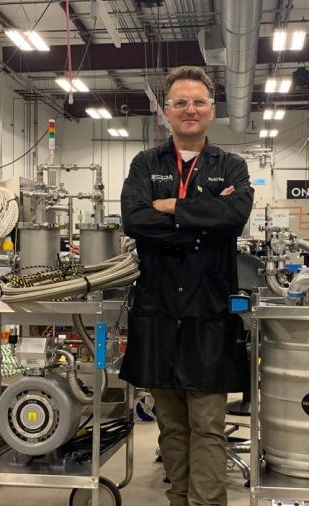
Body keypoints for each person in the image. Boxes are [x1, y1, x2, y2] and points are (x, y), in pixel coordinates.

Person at [119, 66, 254, 506]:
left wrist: (171, 208)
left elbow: (234, 217)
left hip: (208, 314)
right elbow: (135, 220)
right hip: (158, 313)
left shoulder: (230, 164)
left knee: (208, 425)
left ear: (212, 111)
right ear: (167, 112)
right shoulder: (146, 164)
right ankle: (180, 499)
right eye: (180, 102)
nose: (189, 110)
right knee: (171, 426)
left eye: (198, 102)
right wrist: (201, 216)